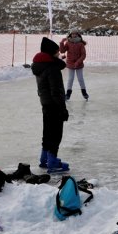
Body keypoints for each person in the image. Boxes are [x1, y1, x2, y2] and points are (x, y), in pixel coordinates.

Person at [32, 37, 70, 173]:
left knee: (47, 132)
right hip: (54, 104)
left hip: (45, 103)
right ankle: (52, 162)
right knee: (55, 134)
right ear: (51, 53)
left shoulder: (40, 66)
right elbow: (57, 91)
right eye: (56, 52)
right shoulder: (52, 68)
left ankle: (44, 159)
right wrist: (63, 109)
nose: (59, 54)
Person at [60, 30, 89, 100]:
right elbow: (62, 51)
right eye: (72, 34)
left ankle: (84, 92)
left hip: (79, 64)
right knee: (70, 79)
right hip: (70, 63)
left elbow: (83, 55)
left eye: (75, 34)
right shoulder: (68, 43)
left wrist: (78, 62)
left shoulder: (81, 44)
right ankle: (68, 94)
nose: (74, 35)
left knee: (80, 79)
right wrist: (61, 43)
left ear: (78, 35)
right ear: (70, 35)